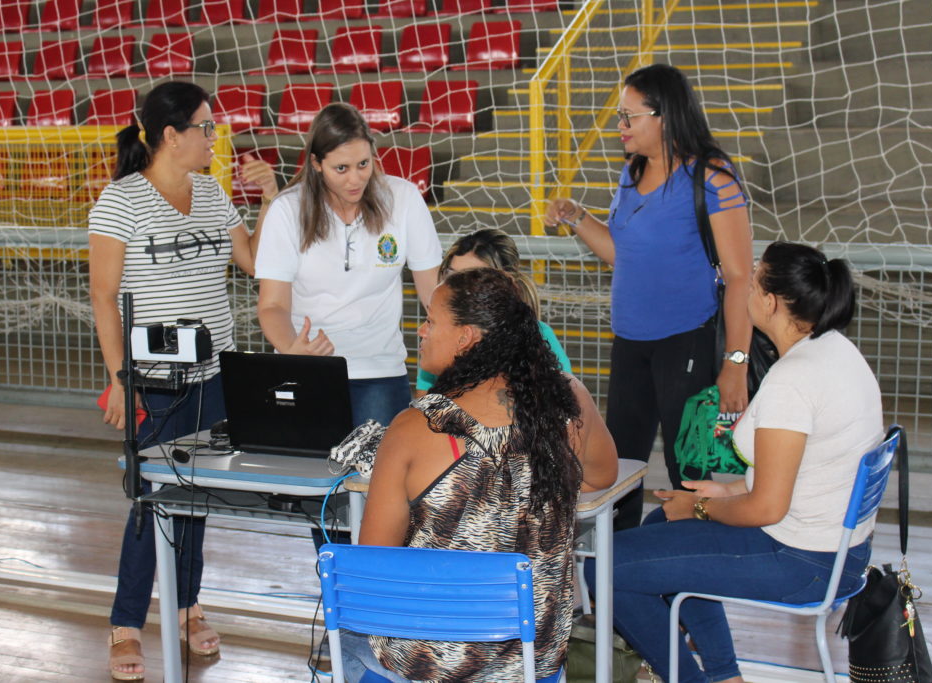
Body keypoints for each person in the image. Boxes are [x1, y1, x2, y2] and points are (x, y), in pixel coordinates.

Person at [587, 241, 883, 682]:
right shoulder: (836, 351)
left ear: (771, 302)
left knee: (605, 568)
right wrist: (727, 491)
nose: (742, 288)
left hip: (800, 562)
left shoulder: (794, 381)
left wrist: (701, 508)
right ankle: (726, 675)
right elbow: (810, 469)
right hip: (839, 552)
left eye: (755, 281)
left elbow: (767, 508)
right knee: (662, 523)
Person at [88, 81, 278, 681]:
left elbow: (254, 262)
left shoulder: (213, 193)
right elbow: (103, 295)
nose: (214, 138)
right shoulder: (120, 200)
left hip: (215, 374)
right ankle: (125, 623)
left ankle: (186, 605)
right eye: (206, 127)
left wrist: (270, 198)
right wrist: (122, 379)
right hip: (155, 380)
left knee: (197, 500)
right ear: (172, 135)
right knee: (150, 504)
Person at [347, 267, 619, 682]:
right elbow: (601, 475)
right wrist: (529, 480)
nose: (421, 330)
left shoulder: (416, 427)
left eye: (431, 320)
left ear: (466, 337)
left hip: (427, 665)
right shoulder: (567, 399)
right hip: (532, 664)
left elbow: (374, 567)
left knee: (345, 640)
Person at [544, 63, 754, 529]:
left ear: (663, 116)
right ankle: (620, 564)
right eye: (620, 116)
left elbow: (740, 277)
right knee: (621, 467)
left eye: (629, 116)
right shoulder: (632, 171)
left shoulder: (712, 179)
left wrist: (735, 365)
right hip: (631, 342)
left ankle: (688, 562)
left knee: (688, 469)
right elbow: (622, 254)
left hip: (686, 340)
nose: (620, 126)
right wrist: (577, 216)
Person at [255, 102, 441, 428]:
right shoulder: (287, 210)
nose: (355, 179)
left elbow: (433, 293)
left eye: (363, 164)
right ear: (316, 163)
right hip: (310, 371)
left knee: (381, 463)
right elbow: (272, 306)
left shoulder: (404, 198)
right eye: (341, 168)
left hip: (380, 371)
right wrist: (293, 349)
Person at [414, 227, 572, 396]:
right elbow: (424, 401)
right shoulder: (439, 338)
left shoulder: (540, 338)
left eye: (472, 278)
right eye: (451, 275)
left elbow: (561, 400)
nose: (456, 287)